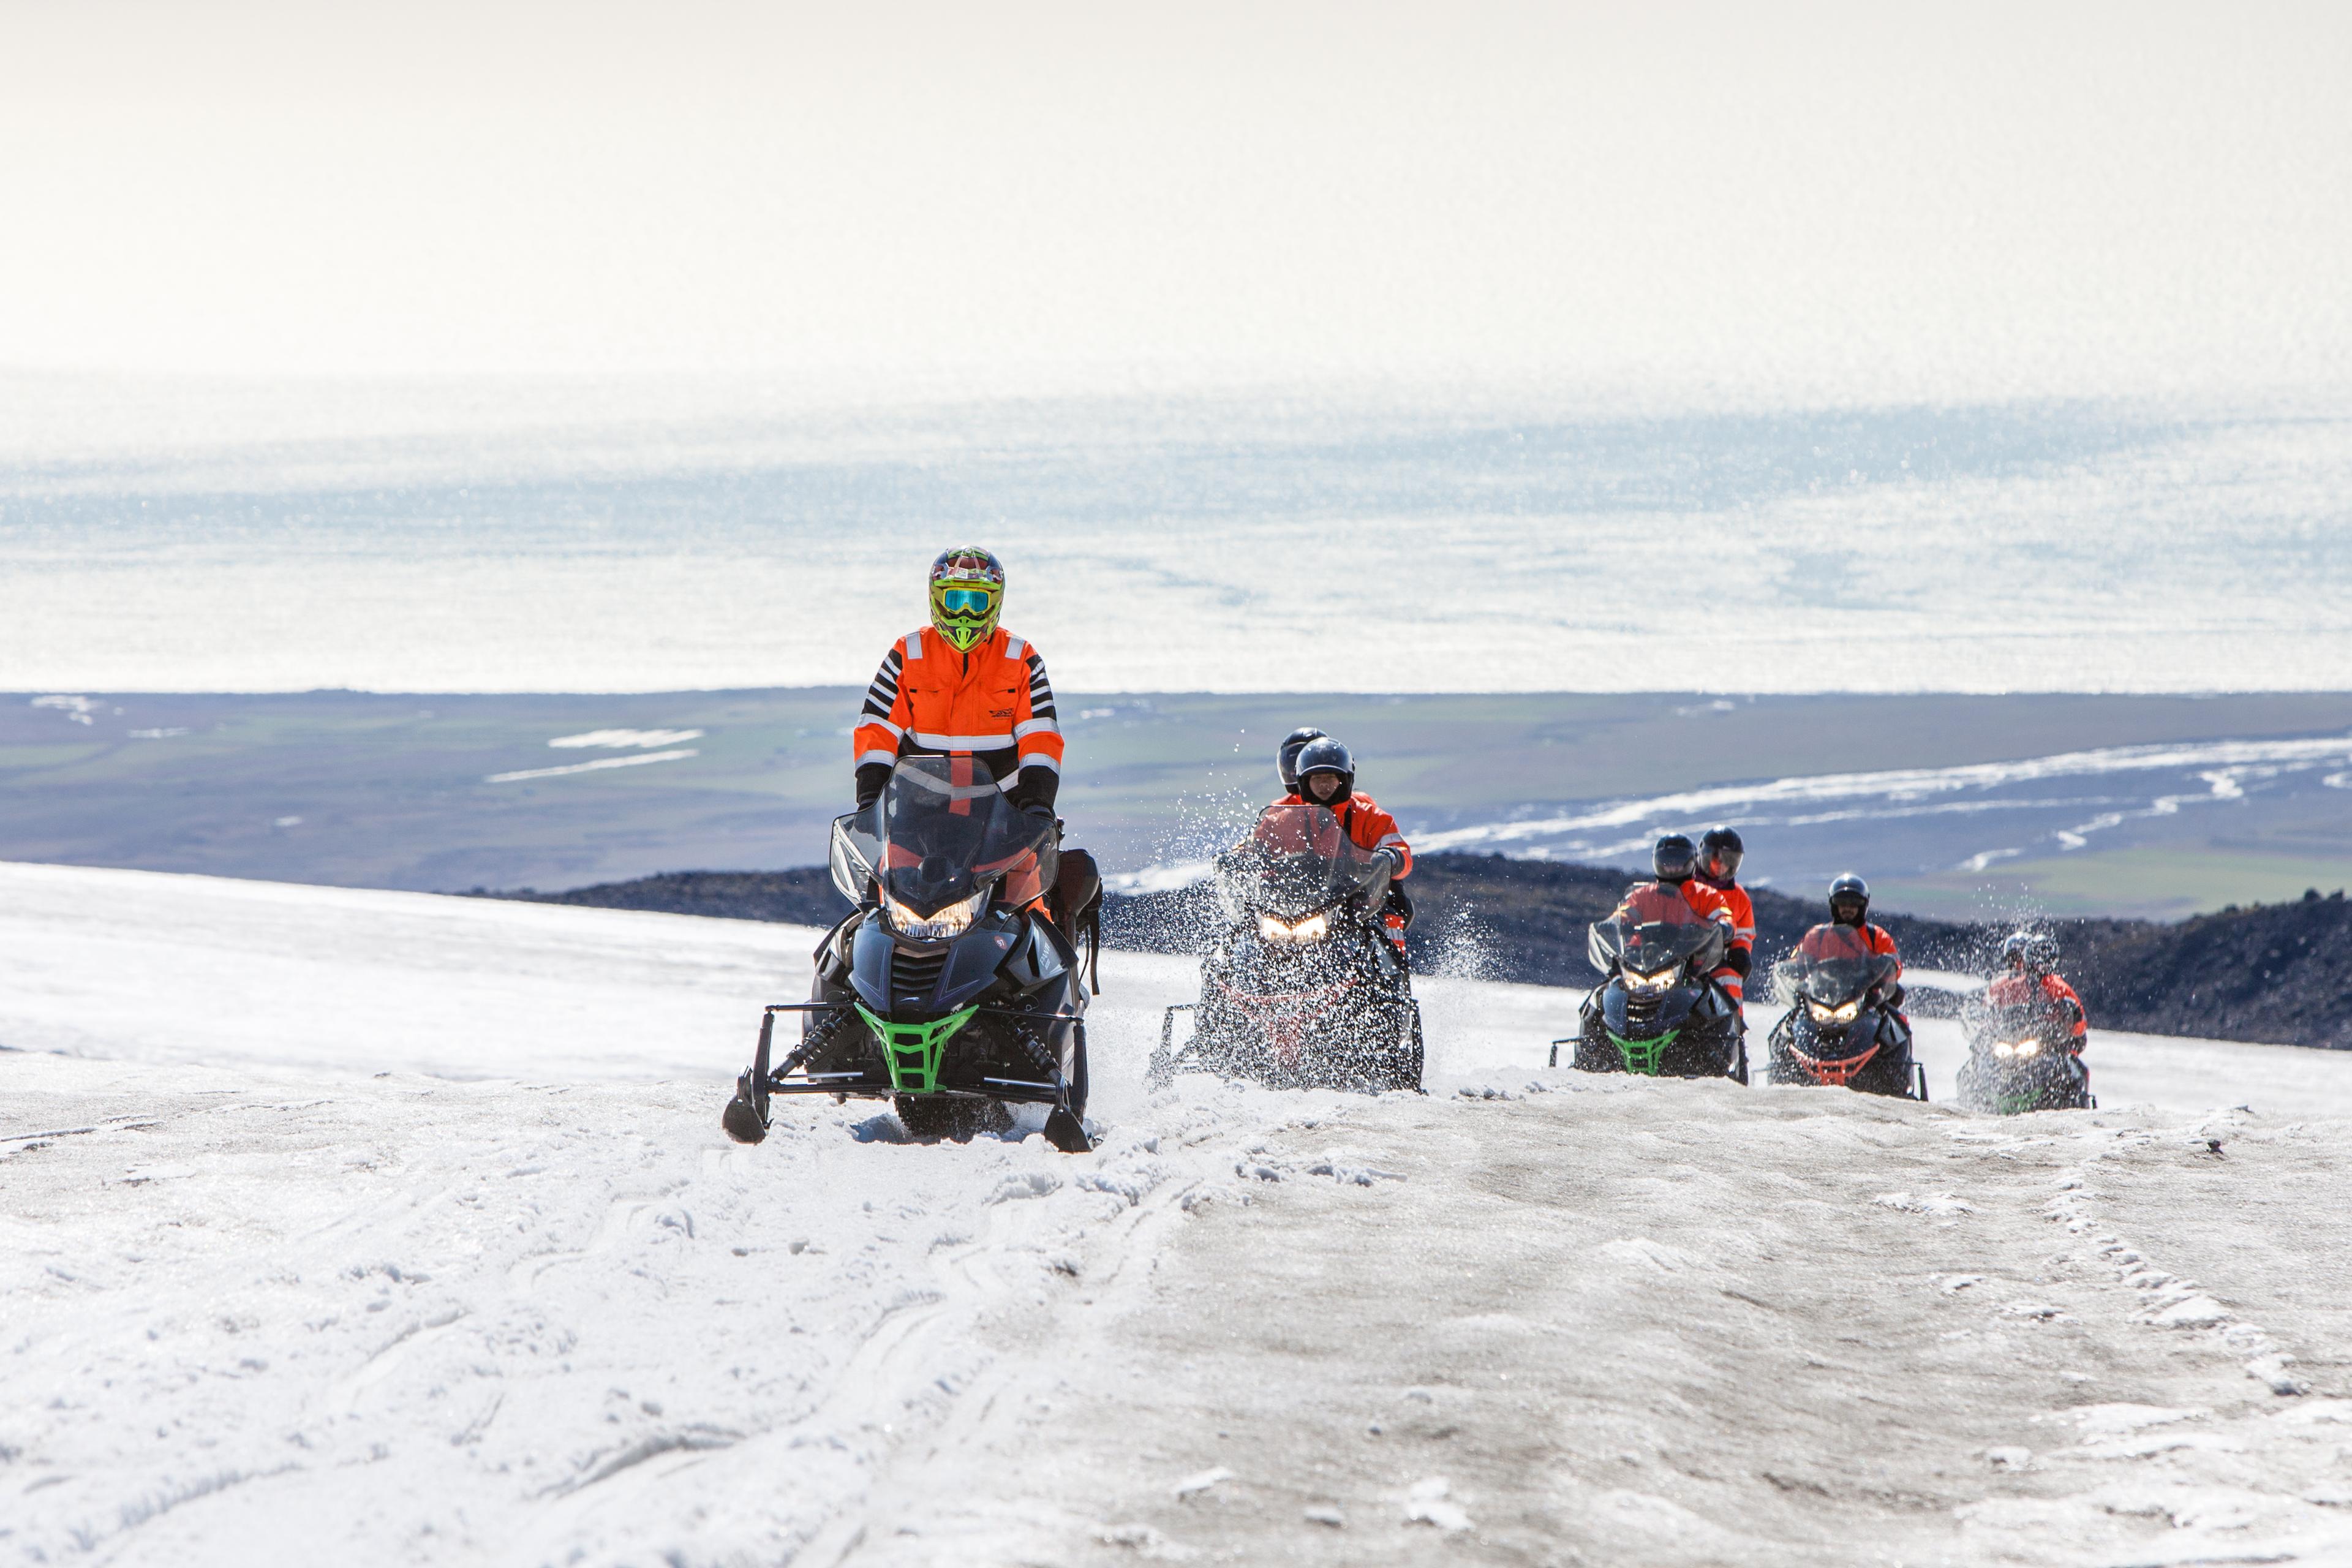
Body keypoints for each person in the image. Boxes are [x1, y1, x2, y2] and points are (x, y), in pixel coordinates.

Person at [851, 548, 1063, 814]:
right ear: (937, 599)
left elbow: (1040, 737)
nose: (965, 611)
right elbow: (878, 731)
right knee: (878, 858)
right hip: (918, 816)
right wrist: (870, 800)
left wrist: (1038, 805)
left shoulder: (1021, 658)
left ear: (995, 603)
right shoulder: (907, 654)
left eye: (976, 602)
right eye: (955, 599)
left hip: (1004, 819)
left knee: (1062, 857)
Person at [1286, 737, 1414, 957]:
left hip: (1361, 899)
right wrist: (1239, 858)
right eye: (1317, 779)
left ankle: (1394, 983)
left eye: (1331, 778)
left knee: (1390, 918)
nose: (1324, 785)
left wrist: (1392, 858)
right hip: (1304, 900)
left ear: (1345, 780)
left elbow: (1400, 851)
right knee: (1259, 929)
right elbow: (1258, 844)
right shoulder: (1288, 817)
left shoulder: (1371, 817)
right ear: (1304, 782)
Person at [1609, 834, 1739, 984]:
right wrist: (1614, 923)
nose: (1672, 868)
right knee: (1604, 993)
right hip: (1641, 965)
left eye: (1678, 862)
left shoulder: (1707, 895)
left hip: (1692, 967)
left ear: (1691, 862)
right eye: (1667, 862)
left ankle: (1733, 1008)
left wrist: (1724, 927)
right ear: (1657, 861)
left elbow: (1723, 915)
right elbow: (1625, 914)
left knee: (1724, 987)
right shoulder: (1642, 896)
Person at [1987, 931, 2087, 1050]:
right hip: (2014, 1042)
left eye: (2045, 960)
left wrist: (2073, 1017)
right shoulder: (2009, 986)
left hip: (2051, 1043)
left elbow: (2080, 1020)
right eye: (2014, 958)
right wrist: (1989, 1018)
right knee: (1988, 1060)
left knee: (2072, 1065)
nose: (2018, 964)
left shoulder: (2059, 987)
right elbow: (1993, 1009)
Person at [1694, 825, 1756, 1009]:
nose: (1720, 865)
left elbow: (1745, 933)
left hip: (1716, 960)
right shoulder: (1688, 888)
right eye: (1715, 858)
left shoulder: (1739, 897)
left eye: (1728, 860)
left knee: (1730, 978)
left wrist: (1741, 951)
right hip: (1681, 956)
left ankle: (1733, 1030)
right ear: (1704, 856)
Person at [1825, 872, 1905, 1012]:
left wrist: (1880, 967)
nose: (1848, 908)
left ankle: (1902, 1033)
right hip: (1825, 998)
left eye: (1854, 904)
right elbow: (1799, 959)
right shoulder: (1819, 937)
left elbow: (1896, 966)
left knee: (1896, 1012)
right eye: (1842, 903)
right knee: (1793, 1020)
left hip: (1868, 1001)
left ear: (1863, 906)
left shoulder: (1877, 936)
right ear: (1834, 905)